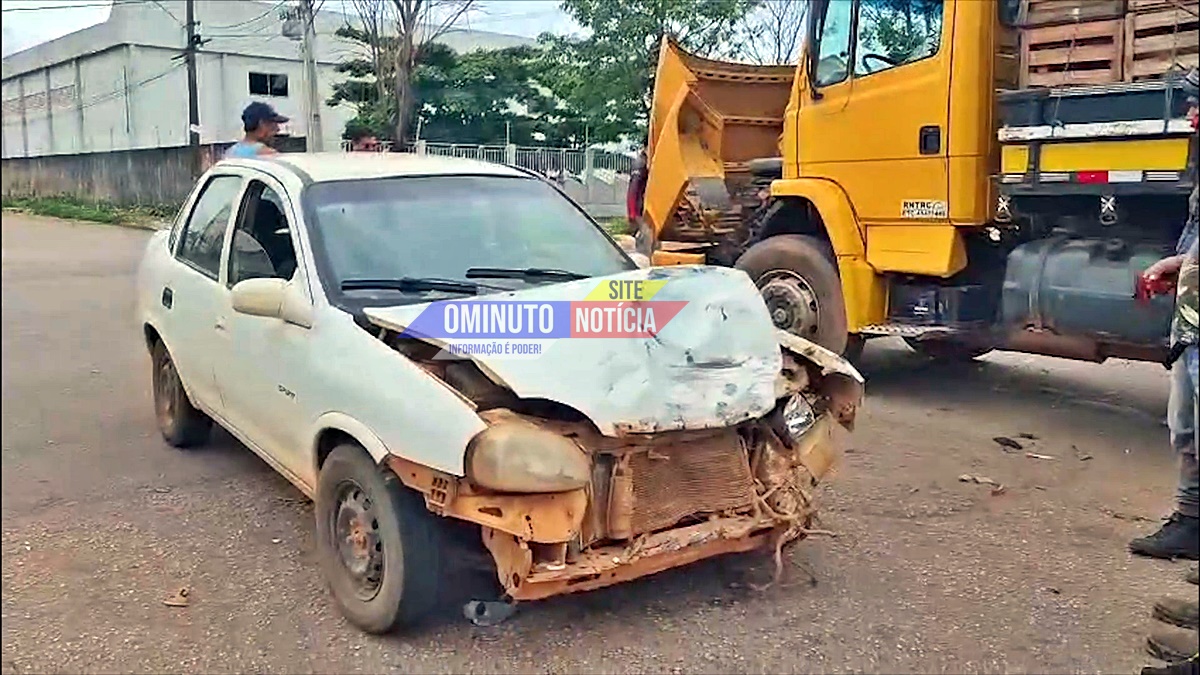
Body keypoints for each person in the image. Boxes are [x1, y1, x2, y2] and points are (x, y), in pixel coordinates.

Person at [1129, 67, 1200, 562]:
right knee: (1186, 426)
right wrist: (1180, 264)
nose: (1192, 115)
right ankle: (1191, 523)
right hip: (1193, 323)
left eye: (1199, 104)